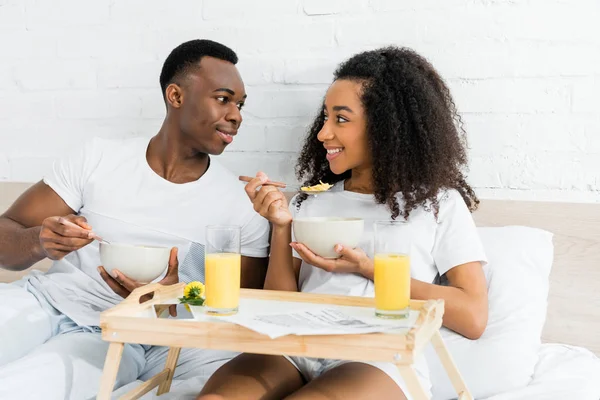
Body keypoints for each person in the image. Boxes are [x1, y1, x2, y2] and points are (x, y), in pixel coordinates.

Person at [197, 46, 489, 400]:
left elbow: (473, 317)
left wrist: (370, 269)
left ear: (386, 127)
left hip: (376, 359)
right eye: (325, 118)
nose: (323, 134)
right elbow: (279, 303)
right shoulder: (312, 199)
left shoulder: (438, 204)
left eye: (341, 119)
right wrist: (281, 226)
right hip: (293, 347)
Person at [0, 39, 270, 399]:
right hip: (43, 301)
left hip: (117, 334)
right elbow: (6, 237)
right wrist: (40, 241)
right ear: (176, 96)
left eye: (239, 104)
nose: (236, 115)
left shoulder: (241, 206)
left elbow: (238, 316)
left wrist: (171, 299)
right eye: (223, 99)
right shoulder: (98, 158)